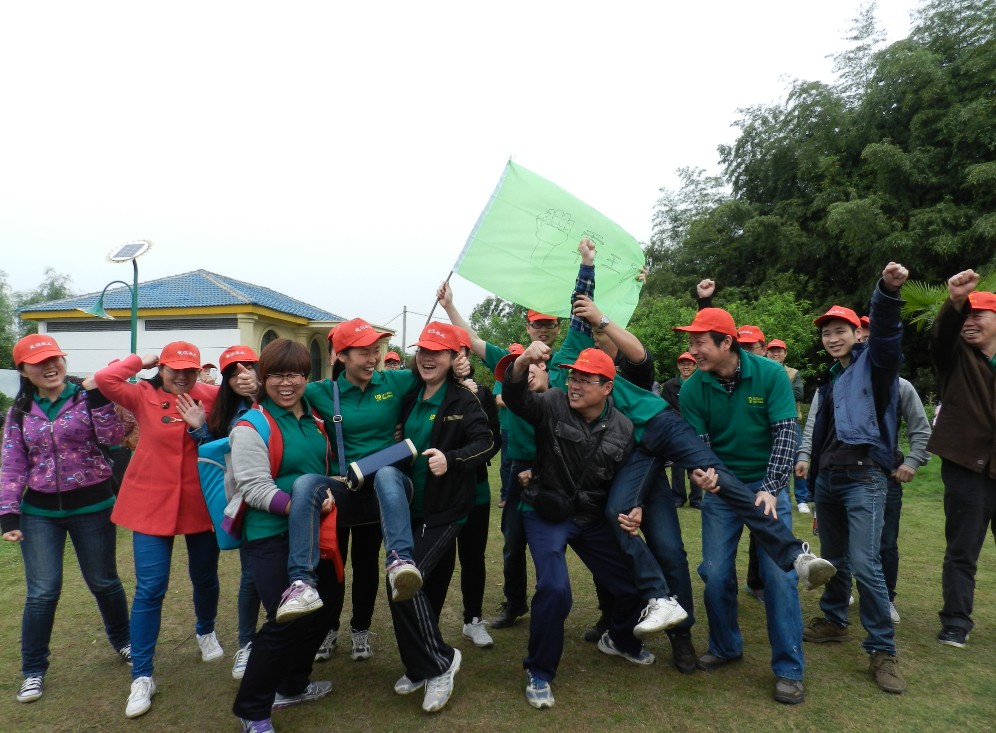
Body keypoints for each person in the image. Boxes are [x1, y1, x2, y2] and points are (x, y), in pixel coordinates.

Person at [435, 238, 598, 629]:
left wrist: (587, 264)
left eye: (549, 323)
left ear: (558, 327)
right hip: (517, 461)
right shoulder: (513, 362)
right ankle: (514, 602)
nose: (543, 328)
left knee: (574, 537)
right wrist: (450, 306)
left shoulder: (573, 354)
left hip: (565, 464)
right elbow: (473, 341)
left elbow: (582, 309)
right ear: (527, 326)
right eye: (537, 323)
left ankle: (574, 604)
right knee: (513, 539)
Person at [501, 344, 650, 710]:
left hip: (591, 518)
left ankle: (620, 639)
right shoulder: (553, 402)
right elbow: (516, 399)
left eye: (586, 379)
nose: (575, 385)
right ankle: (539, 671)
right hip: (546, 513)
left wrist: (637, 506)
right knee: (555, 589)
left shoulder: (624, 428)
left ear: (608, 387)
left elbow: (626, 481)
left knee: (633, 582)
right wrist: (522, 362)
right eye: (572, 377)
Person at [675, 309, 807, 704]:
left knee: (779, 576)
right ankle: (726, 646)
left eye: (699, 342)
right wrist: (702, 473)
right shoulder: (691, 390)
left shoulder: (770, 375)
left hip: (768, 485)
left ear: (726, 342)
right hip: (723, 491)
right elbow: (700, 448)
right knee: (715, 573)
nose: (692, 350)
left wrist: (770, 488)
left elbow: (786, 434)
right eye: (690, 342)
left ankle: (789, 669)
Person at [795, 261, 910, 694]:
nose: (832, 338)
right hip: (829, 480)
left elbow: (888, 336)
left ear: (858, 333)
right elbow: (822, 429)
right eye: (826, 333)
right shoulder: (830, 380)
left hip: (865, 478)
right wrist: (812, 468)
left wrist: (887, 293)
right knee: (835, 558)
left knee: (866, 562)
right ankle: (835, 619)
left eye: (840, 330)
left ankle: (882, 650)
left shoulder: (875, 366)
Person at [94, 341, 222, 718]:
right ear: (162, 368)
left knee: (205, 575)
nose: (181, 376)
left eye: (189, 370)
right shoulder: (142, 394)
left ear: (199, 370)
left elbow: (234, 429)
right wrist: (141, 360)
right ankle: (142, 675)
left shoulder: (211, 397)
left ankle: (206, 630)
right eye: (173, 369)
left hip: (200, 499)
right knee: (150, 587)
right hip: (151, 501)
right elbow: (104, 378)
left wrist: (203, 427)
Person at [1, 334, 131, 704]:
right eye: (39, 363)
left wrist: (99, 397)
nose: (49, 367)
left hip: (93, 508)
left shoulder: (85, 397)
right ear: (23, 371)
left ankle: (125, 642)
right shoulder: (20, 412)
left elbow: (114, 437)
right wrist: (8, 514)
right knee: (42, 592)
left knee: (103, 581)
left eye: (54, 359)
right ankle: (33, 670)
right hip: (39, 514)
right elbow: (13, 462)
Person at [373, 322, 494, 712]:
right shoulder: (411, 395)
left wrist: (452, 458)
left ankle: (440, 662)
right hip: (409, 508)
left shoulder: (463, 399)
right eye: (423, 350)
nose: (427, 358)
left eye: (437, 352)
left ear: (452, 358)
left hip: (446, 510)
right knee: (417, 585)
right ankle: (419, 665)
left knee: (403, 582)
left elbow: (487, 442)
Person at [230, 339, 335, 733]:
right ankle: (252, 709)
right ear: (263, 378)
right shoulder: (251, 426)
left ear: (307, 377)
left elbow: (325, 470)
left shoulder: (317, 419)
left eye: (294, 375)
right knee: (285, 619)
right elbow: (254, 487)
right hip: (269, 534)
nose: (285, 383)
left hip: (312, 534)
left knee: (323, 609)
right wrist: (303, 507)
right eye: (275, 375)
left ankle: (292, 685)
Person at [801, 373, 931, 624]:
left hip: (883, 476)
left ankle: (885, 600)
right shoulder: (829, 385)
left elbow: (921, 428)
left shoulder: (898, 385)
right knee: (836, 548)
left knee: (884, 544)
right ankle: (839, 602)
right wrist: (805, 455)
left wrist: (913, 461)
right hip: (833, 475)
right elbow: (814, 427)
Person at [183, 345, 263, 680]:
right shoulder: (225, 413)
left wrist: (259, 392)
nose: (242, 375)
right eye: (233, 371)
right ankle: (247, 645)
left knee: (291, 575)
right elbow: (215, 459)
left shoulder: (275, 398)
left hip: (282, 493)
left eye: (248, 367)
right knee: (251, 576)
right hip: (247, 503)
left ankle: (287, 644)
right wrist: (200, 429)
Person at [925, 271, 996, 648]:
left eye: (978, 315)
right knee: (962, 550)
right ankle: (955, 621)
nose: (969, 322)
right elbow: (941, 334)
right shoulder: (954, 356)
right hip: (966, 466)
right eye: (965, 316)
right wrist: (954, 302)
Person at [421, 325, 502, 649]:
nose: (459, 358)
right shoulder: (422, 390)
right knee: (439, 562)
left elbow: (491, 441)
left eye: (462, 351)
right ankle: (430, 630)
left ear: (465, 355)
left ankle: (473, 619)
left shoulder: (479, 394)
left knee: (473, 558)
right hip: (437, 495)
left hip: (474, 490)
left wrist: (457, 459)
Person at [765, 339, 810, 513]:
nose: (775, 354)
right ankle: (778, 493)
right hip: (768, 422)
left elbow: (798, 393)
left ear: (785, 354)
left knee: (798, 459)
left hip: (791, 420)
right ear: (767, 352)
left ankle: (802, 499)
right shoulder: (763, 370)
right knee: (775, 459)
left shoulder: (793, 372)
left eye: (779, 351)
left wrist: (774, 390)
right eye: (772, 350)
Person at [659, 352, 700, 509]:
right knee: (677, 465)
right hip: (676, 429)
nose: (686, 366)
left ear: (695, 366)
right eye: (683, 364)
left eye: (689, 364)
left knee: (696, 463)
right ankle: (678, 497)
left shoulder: (700, 384)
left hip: (696, 428)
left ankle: (696, 498)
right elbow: (665, 406)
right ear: (678, 366)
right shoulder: (670, 385)